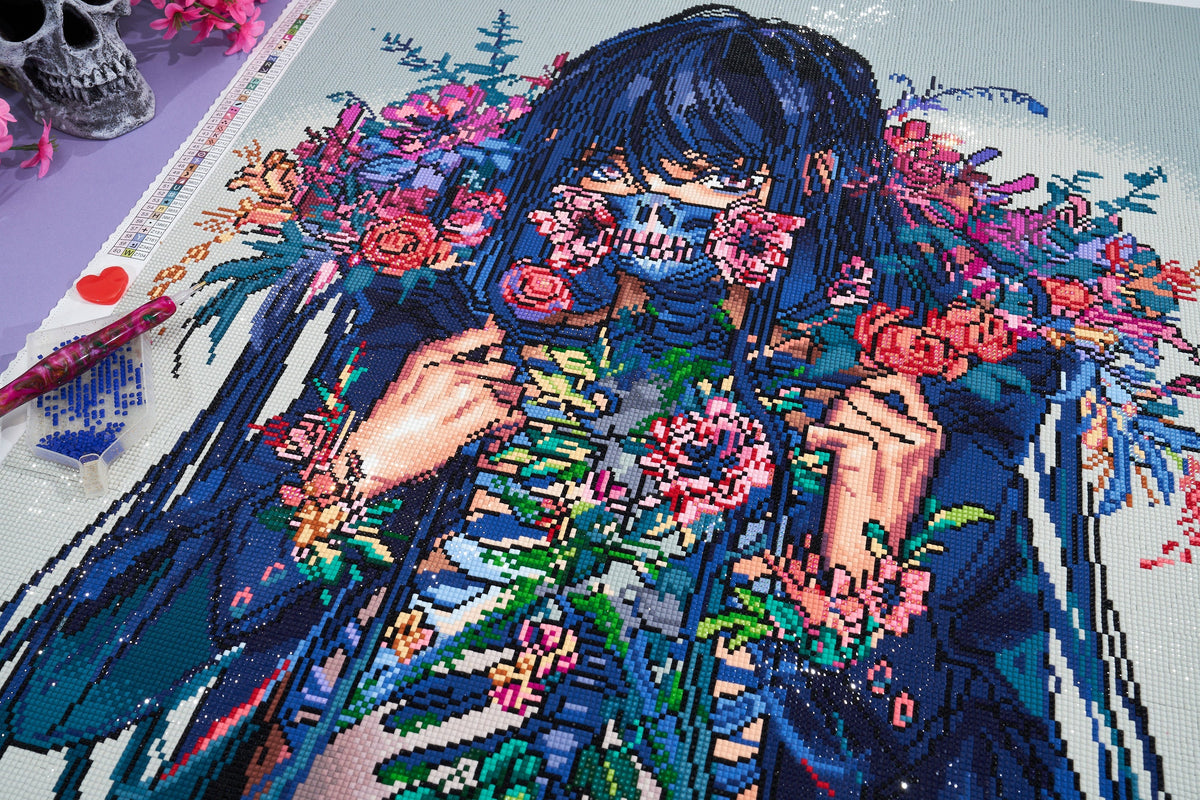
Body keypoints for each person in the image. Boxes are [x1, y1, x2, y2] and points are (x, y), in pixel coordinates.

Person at [0, 6, 1185, 799]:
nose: (653, 216)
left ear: (817, 189)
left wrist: (861, 590)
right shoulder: (431, 356)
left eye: (714, 179)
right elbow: (62, 693)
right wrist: (352, 475)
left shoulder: (903, 442)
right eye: (618, 170)